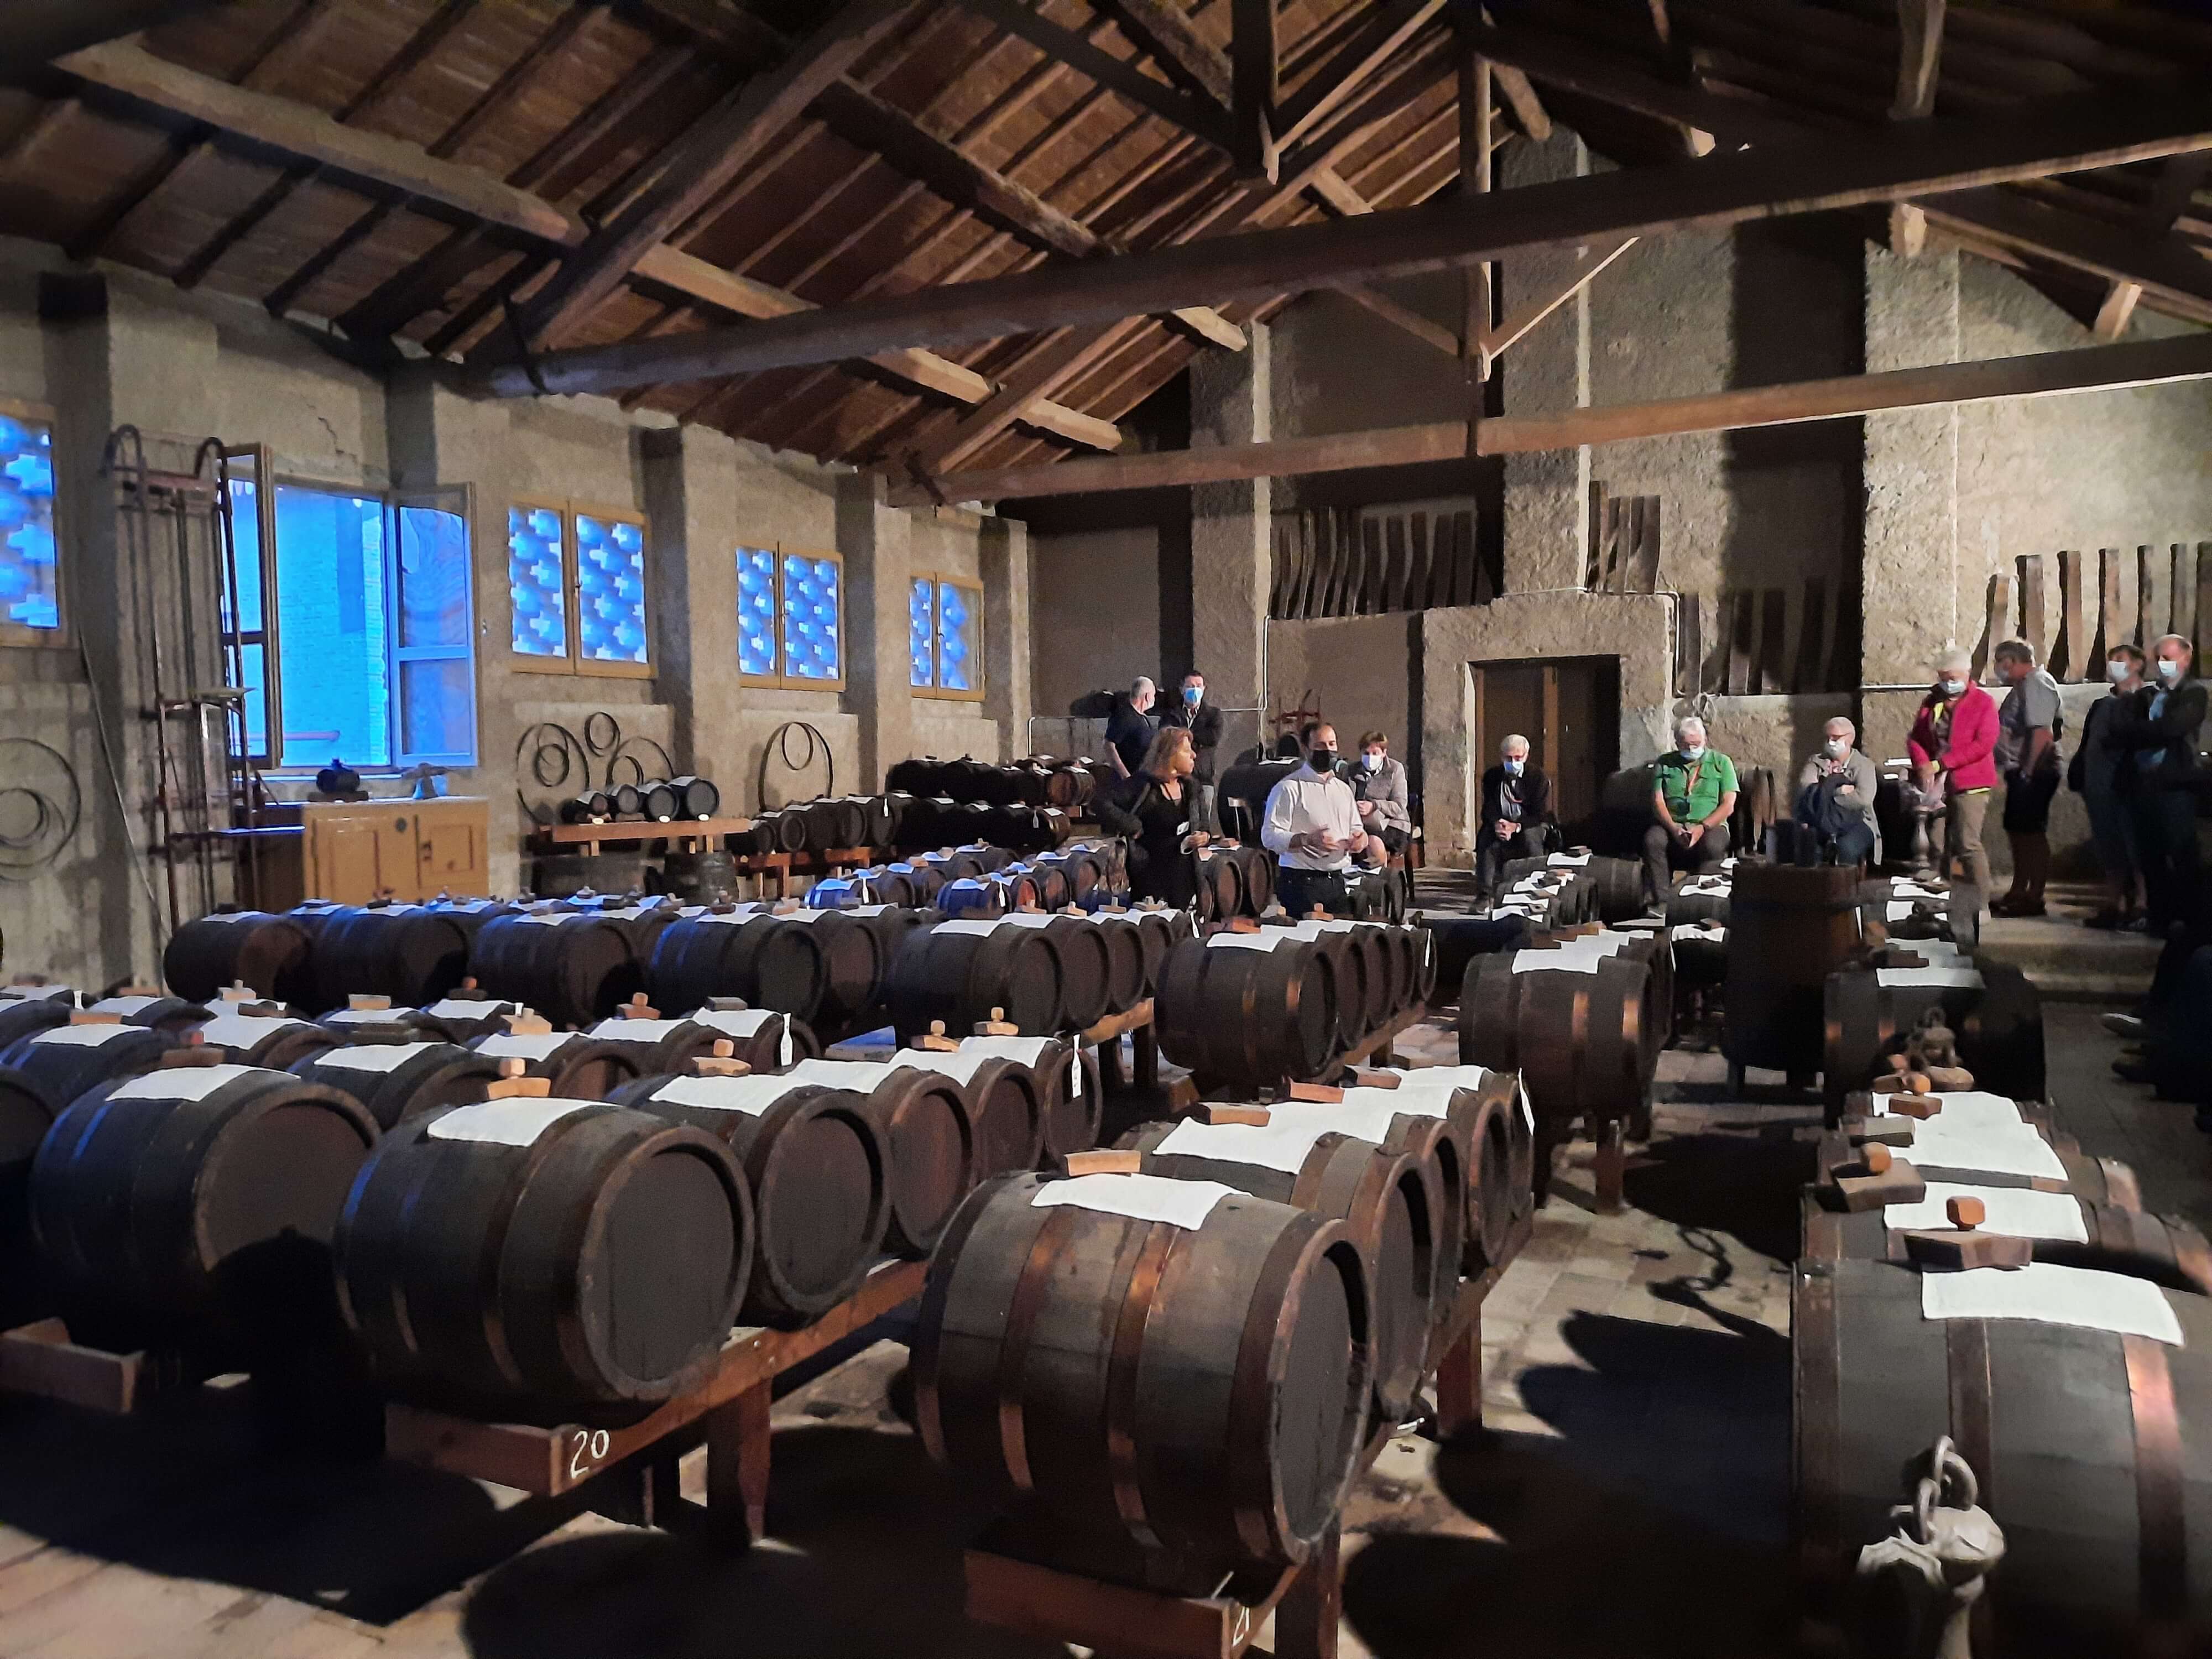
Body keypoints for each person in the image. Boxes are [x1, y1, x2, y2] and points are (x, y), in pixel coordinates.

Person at [2112, 634, 2205, 933]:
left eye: (2169, 658)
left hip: (2175, 784)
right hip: (2146, 783)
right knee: (2150, 854)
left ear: (2186, 659)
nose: (2162, 663)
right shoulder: (2152, 695)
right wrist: (2141, 731)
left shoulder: (2193, 693)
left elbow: (2172, 728)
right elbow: (2123, 729)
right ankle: (2160, 916)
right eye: (2159, 658)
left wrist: (2139, 732)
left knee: (2181, 854)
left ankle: (2190, 920)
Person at [1260, 720, 1381, 915]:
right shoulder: (1288, 788)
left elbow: (1357, 828)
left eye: (1332, 744)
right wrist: (1305, 840)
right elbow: (1269, 835)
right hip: (1301, 883)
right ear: (1306, 750)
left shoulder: (1343, 790)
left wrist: (1361, 840)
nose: (1328, 751)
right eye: (1320, 745)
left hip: (1337, 882)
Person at [1907, 649, 1999, 899]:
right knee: (1940, 842)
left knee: (1967, 843)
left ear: (1968, 674)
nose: (1948, 683)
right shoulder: (1932, 702)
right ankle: (1946, 895)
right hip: (1939, 786)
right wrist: (1922, 763)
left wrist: (1941, 764)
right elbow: (1916, 738)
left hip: (1971, 783)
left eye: (1954, 678)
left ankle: (1981, 901)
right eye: (1943, 678)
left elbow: (1984, 743)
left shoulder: (1983, 703)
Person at [2069, 644, 2146, 930]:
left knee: (2135, 843)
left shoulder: (2144, 701)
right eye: (2111, 660)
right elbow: (2088, 742)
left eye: (2120, 660)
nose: (2113, 665)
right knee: (2108, 845)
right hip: (2098, 784)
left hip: (2127, 784)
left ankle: (2142, 903)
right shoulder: (2101, 704)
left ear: (2137, 665)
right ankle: (2114, 903)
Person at [1987, 639, 2064, 917]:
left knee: (2031, 833)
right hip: (2022, 770)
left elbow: (2042, 731)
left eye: (1999, 661)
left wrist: (2028, 772)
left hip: (2035, 771)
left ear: (2011, 661)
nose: (1998, 668)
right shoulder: (2023, 686)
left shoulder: (2036, 683)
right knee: (2019, 831)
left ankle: (2034, 896)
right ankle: (2019, 890)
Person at [1095, 726, 1201, 909]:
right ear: (1170, 754)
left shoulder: (1191, 788)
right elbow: (1101, 803)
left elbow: (1202, 823)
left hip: (1184, 879)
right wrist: (1131, 825)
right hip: (1149, 878)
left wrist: (1203, 835)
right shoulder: (1142, 785)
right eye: (1187, 751)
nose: (1194, 755)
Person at [1644, 716, 1738, 906]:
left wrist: (1702, 827)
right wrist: (1674, 828)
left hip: (1711, 825)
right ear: (1677, 743)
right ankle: (1662, 901)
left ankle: (1702, 900)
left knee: (1712, 846)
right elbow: (1658, 801)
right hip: (1673, 824)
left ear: (1705, 740)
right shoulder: (1665, 763)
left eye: (1696, 744)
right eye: (1686, 745)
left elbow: (1728, 805)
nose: (1692, 749)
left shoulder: (1722, 763)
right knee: (1653, 840)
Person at [1793, 716, 1880, 867]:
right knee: (1809, 849)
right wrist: (1840, 791)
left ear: (1850, 739)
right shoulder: (1816, 762)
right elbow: (1805, 790)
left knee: (1845, 849)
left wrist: (1827, 794)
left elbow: (1863, 798)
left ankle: (1844, 881)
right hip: (1818, 821)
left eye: (1835, 738)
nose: (1830, 742)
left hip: (1857, 822)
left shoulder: (1864, 765)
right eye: (1827, 738)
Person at [1475, 734, 1551, 898]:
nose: (1513, 762)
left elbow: (1539, 814)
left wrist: (1516, 826)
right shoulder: (1492, 777)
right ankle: (1484, 893)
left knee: (1530, 837)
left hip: (1530, 823)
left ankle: (1537, 884)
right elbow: (1488, 808)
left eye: (1518, 758)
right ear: (1502, 757)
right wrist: (1497, 824)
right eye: (1509, 758)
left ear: (1526, 756)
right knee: (1486, 838)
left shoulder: (1538, 777)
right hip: (1503, 821)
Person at [1160, 670, 1223, 836]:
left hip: (1203, 777)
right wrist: (1195, 739)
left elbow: (1212, 738)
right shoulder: (1172, 714)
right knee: (1179, 825)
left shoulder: (1213, 715)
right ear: (1182, 689)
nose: (1195, 690)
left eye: (1198, 686)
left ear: (1204, 688)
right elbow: (1166, 738)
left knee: (1201, 826)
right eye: (1191, 686)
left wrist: (1185, 736)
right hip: (1177, 779)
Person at [1352, 731, 1412, 858]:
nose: (1370, 758)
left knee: (1371, 841)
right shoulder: (1352, 771)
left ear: (1384, 753)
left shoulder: (1395, 769)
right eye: (1366, 753)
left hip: (1393, 826)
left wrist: (1374, 806)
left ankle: (1379, 870)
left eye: (1375, 753)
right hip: (1361, 824)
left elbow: (1399, 805)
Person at [1104, 676, 1157, 778]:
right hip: (1128, 780)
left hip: (1143, 777)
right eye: (1154, 695)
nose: (1155, 698)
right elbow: (1109, 745)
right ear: (1147, 696)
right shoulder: (1124, 715)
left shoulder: (1143, 718)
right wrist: (1125, 775)